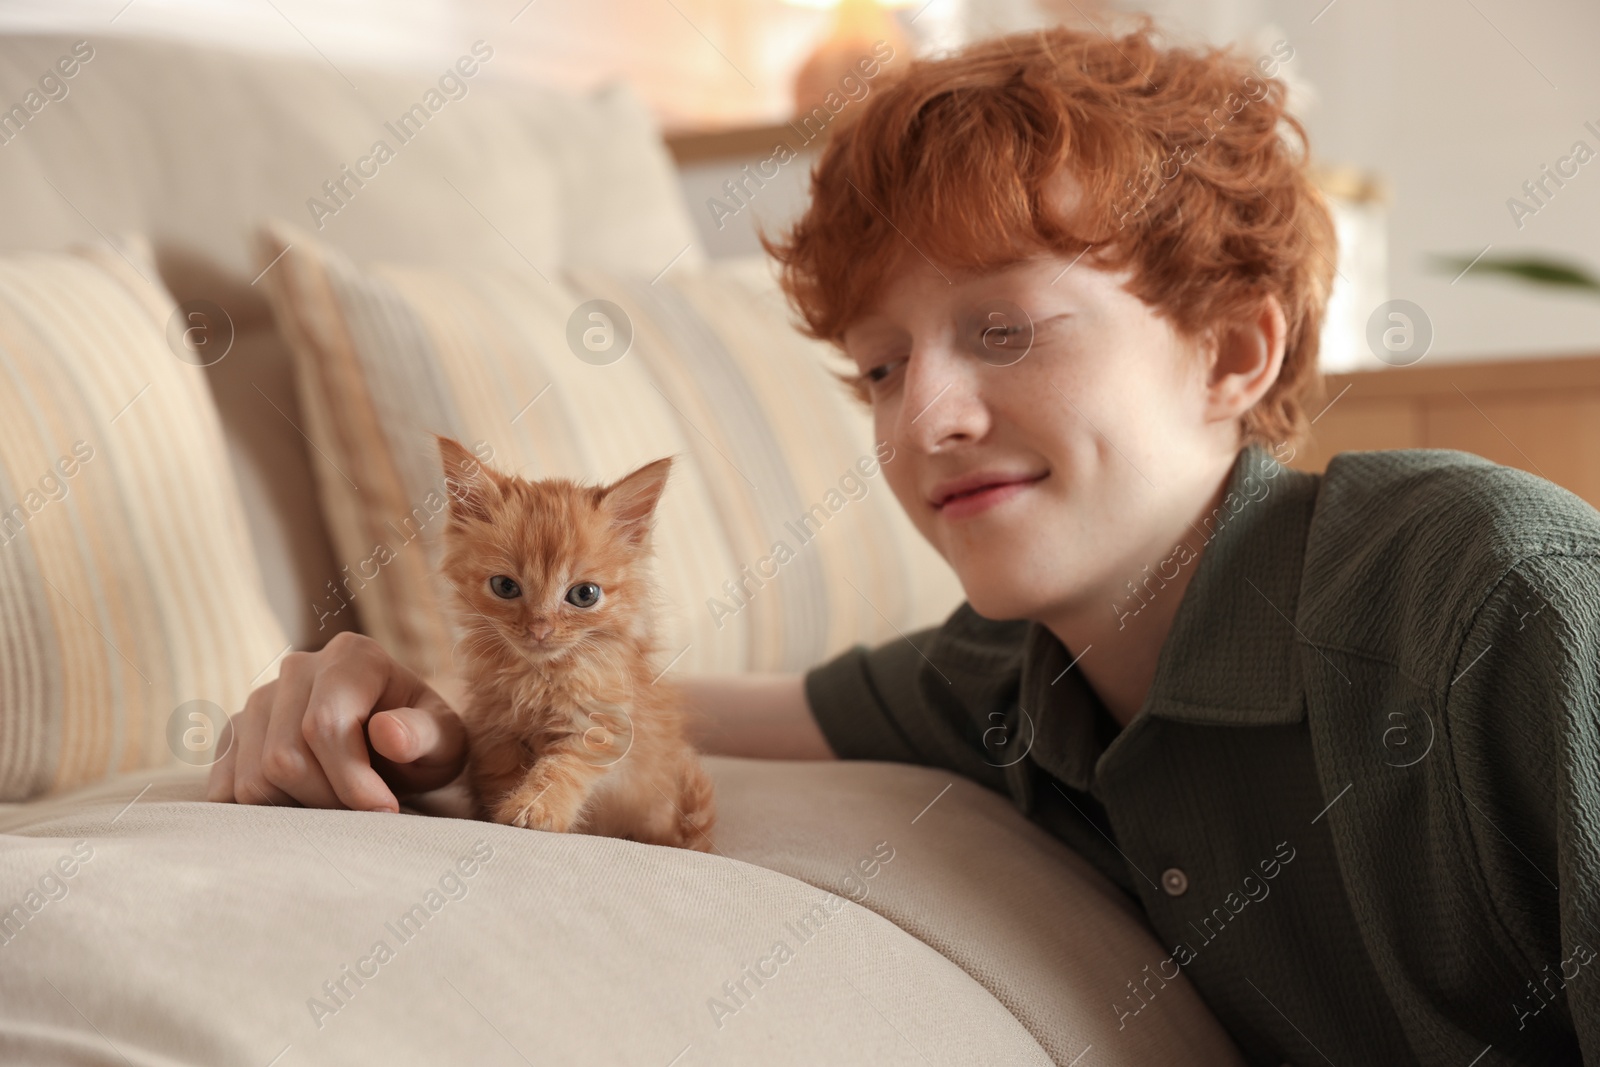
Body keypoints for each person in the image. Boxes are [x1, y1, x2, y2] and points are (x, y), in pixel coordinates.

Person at [207, 18, 1600, 1064]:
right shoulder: (1003, 681)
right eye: (880, 367)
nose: (923, 415)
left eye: (1004, 329)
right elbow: (638, 708)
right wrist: (401, 715)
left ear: (1235, 353)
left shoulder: (1497, 604)